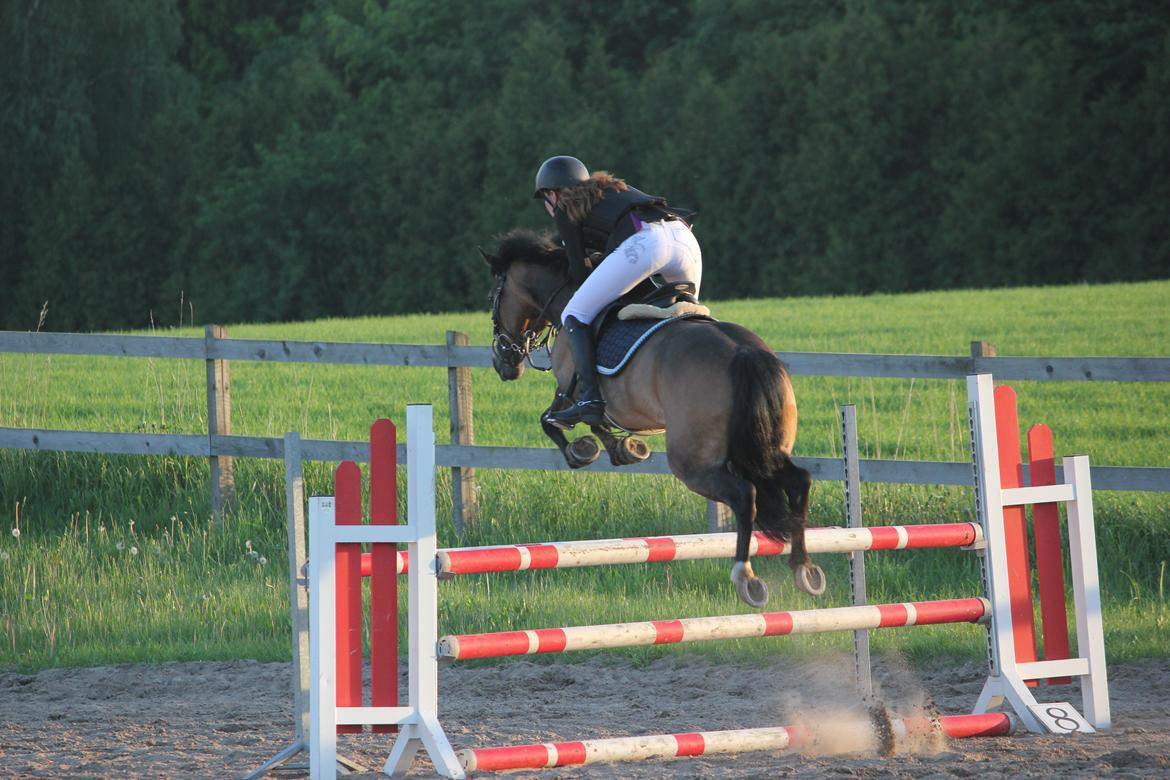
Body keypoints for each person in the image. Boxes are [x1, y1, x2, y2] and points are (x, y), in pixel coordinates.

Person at [533, 155, 702, 428]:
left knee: (574, 314)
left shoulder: (565, 208)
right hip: (684, 238)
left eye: (545, 198)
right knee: (689, 319)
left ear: (552, 194)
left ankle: (589, 400)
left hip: (649, 242)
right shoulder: (613, 188)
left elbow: (579, 273)